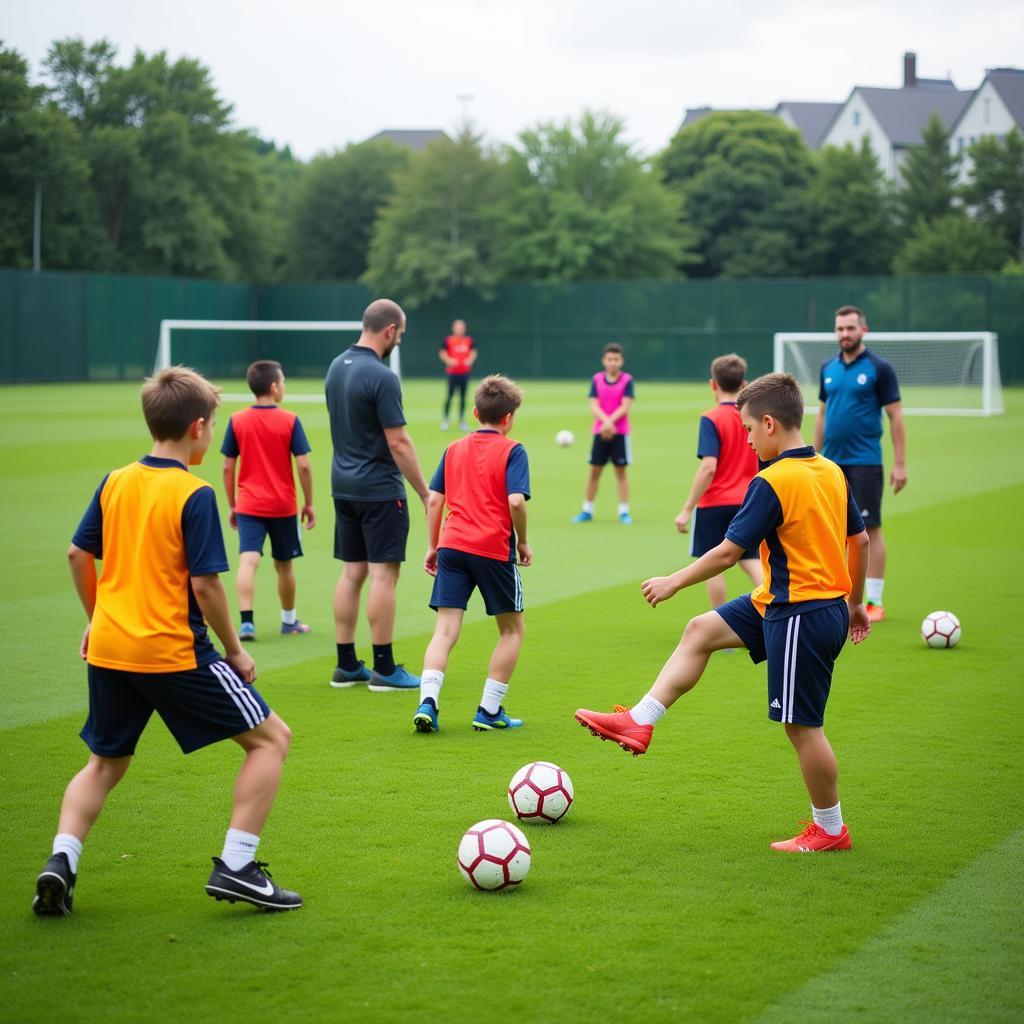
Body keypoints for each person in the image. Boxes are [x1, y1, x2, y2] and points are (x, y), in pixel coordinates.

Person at [34, 367, 300, 916]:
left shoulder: (115, 480)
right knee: (271, 740)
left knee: (103, 764)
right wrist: (235, 649)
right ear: (199, 428)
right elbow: (205, 585)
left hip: (109, 649)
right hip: (172, 652)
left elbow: (77, 555)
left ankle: (61, 859)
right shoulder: (193, 493)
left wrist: (97, 615)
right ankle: (238, 866)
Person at [575, 372, 871, 853]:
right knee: (700, 630)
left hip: (802, 613)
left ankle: (831, 829)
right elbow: (859, 539)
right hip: (789, 601)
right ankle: (641, 719)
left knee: (802, 726)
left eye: (750, 429)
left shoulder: (772, 480)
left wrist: (673, 580)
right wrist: (856, 603)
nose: (749, 439)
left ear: (770, 424)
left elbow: (729, 553)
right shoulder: (830, 470)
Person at [414, 375, 531, 735]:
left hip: (452, 545)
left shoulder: (453, 448)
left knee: (445, 630)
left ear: (475, 412)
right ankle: (489, 709)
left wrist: (434, 545)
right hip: (493, 549)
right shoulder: (513, 450)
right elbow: (515, 500)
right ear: (509, 417)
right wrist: (522, 541)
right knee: (512, 630)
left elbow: (435, 499)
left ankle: (428, 703)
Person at [325, 298, 430, 692]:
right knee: (383, 575)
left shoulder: (337, 367)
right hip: (379, 489)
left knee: (351, 573)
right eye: (399, 336)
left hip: (343, 485)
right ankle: (384, 669)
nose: (398, 342)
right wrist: (423, 492)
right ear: (389, 330)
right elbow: (398, 442)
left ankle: (346, 664)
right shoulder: (382, 376)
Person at [815, 305, 906, 623]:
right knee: (833, 530)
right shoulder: (828, 367)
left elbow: (895, 415)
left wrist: (900, 463)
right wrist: (813, 456)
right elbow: (823, 414)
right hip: (831, 463)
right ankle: (837, 595)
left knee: (869, 530)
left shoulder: (880, 368)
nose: (845, 334)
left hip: (866, 461)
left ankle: (874, 601)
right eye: (840, 329)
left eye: (850, 328)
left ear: (863, 330)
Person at [221, 360, 315, 641]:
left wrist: (232, 504)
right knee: (284, 565)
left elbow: (228, 466)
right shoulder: (290, 420)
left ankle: (247, 622)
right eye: (283, 382)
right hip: (283, 505)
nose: (284, 386)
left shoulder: (237, 420)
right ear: (274, 387)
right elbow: (305, 465)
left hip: (248, 504)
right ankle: (289, 621)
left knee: (248, 561)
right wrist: (309, 502)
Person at [676, 353, 764, 609]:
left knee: (711, 565)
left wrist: (686, 509)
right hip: (748, 501)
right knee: (751, 559)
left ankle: (719, 626)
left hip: (714, 503)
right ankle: (775, 607)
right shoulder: (752, 419)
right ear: (744, 384)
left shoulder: (711, 418)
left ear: (713, 384)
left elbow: (708, 467)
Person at [572, 342, 635, 525]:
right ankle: (587, 510)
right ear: (604, 361)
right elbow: (593, 404)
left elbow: (625, 405)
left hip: (620, 432)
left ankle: (624, 512)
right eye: (609, 359)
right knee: (594, 471)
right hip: (600, 432)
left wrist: (610, 422)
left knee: (620, 472)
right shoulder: (597, 379)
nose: (613, 362)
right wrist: (605, 423)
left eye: (616, 359)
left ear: (621, 360)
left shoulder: (627, 380)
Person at [439, 319, 477, 431]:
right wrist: (449, 360)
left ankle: (462, 421)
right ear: (454, 328)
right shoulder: (449, 340)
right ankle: (446, 420)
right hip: (452, 373)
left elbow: (474, 351)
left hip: (465, 373)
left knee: (463, 397)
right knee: (450, 396)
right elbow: (442, 352)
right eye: (457, 327)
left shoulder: (469, 340)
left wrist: (470, 360)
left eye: (461, 327)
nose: (459, 329)